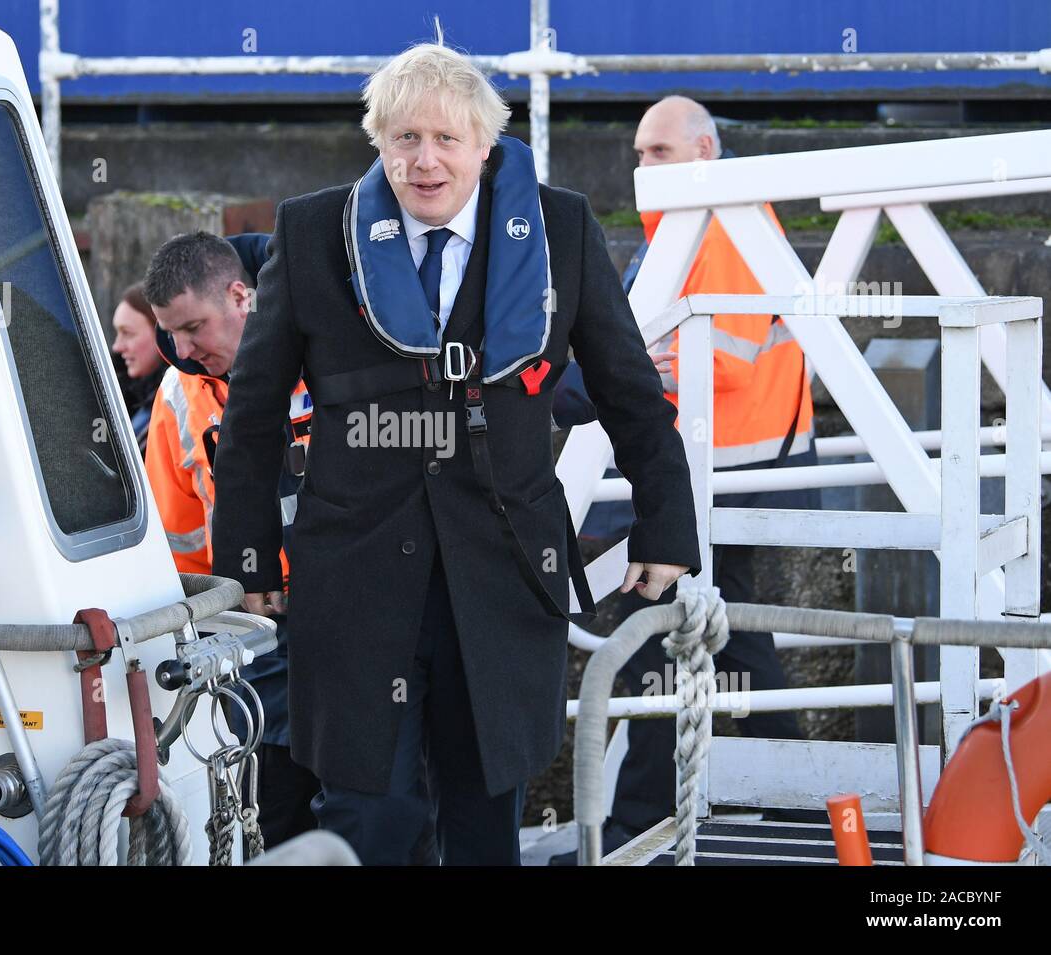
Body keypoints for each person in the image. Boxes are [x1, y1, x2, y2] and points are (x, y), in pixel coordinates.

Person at [208, 43, 700, 866]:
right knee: (370, 820)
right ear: (378, 144)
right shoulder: (309, 231)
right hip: (354, 591)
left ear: (485, 144)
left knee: (484, 823)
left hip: (502, 581)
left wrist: (665, 527)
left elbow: (629, 394)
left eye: (444, 139)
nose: (424, 160)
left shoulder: (563, 229)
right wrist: (250, 560)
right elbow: (253, 416)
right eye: (403, 139)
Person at [548, 95, 815, 864]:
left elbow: (711, 359)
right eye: (637, 153)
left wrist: (611, 378)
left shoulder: (719, 221)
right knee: (722, 637)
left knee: (663, 627)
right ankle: (799, 799)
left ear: (703, 152)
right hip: (723, 463)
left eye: (657, 152)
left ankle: (640, 824)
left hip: (728, 464)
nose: (642, 167)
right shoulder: (704, 221)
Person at [142, 231, 319, 850]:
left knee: (376, 805)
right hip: (255, 629)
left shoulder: (326, 343)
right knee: (273, 802)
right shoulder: (176, 396)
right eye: (171, 334)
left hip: (357, 610)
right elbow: (178, 537)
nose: (183, 348)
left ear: (242, 297)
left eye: (194, 327)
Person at [110, 282, 166, 455]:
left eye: (127, 333)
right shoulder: (126, 399)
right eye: (117, 333)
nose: (117, 347)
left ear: (162, 333)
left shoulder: (177, 406)